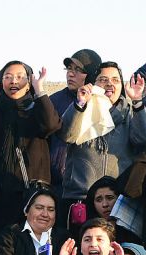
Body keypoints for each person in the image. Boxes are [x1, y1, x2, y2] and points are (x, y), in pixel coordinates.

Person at [0, 61, 61, 236]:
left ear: (29, 83)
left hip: (30, 195)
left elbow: (51, 125)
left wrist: (39, 90)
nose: (13, 81)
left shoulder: (36, 111)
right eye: (7, 77)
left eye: (20, 77)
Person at [59, 63, 146, 220]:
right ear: (92, 84)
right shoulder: (81, 108)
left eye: (115, 80)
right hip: (80, 199)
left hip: (118, 201)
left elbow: (145, 141)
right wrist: (80, 104)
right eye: (103, 79)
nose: (109, 84)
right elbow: (67, 135)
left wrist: (137, 101)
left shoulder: (130, 113)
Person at [48, 49, 102, 192]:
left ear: (91, 74)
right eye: (69, 68)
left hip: (90, 186)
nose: (70, 74)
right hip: (56, 184)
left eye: (78, 70)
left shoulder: (100, 104)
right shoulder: (53, 101)